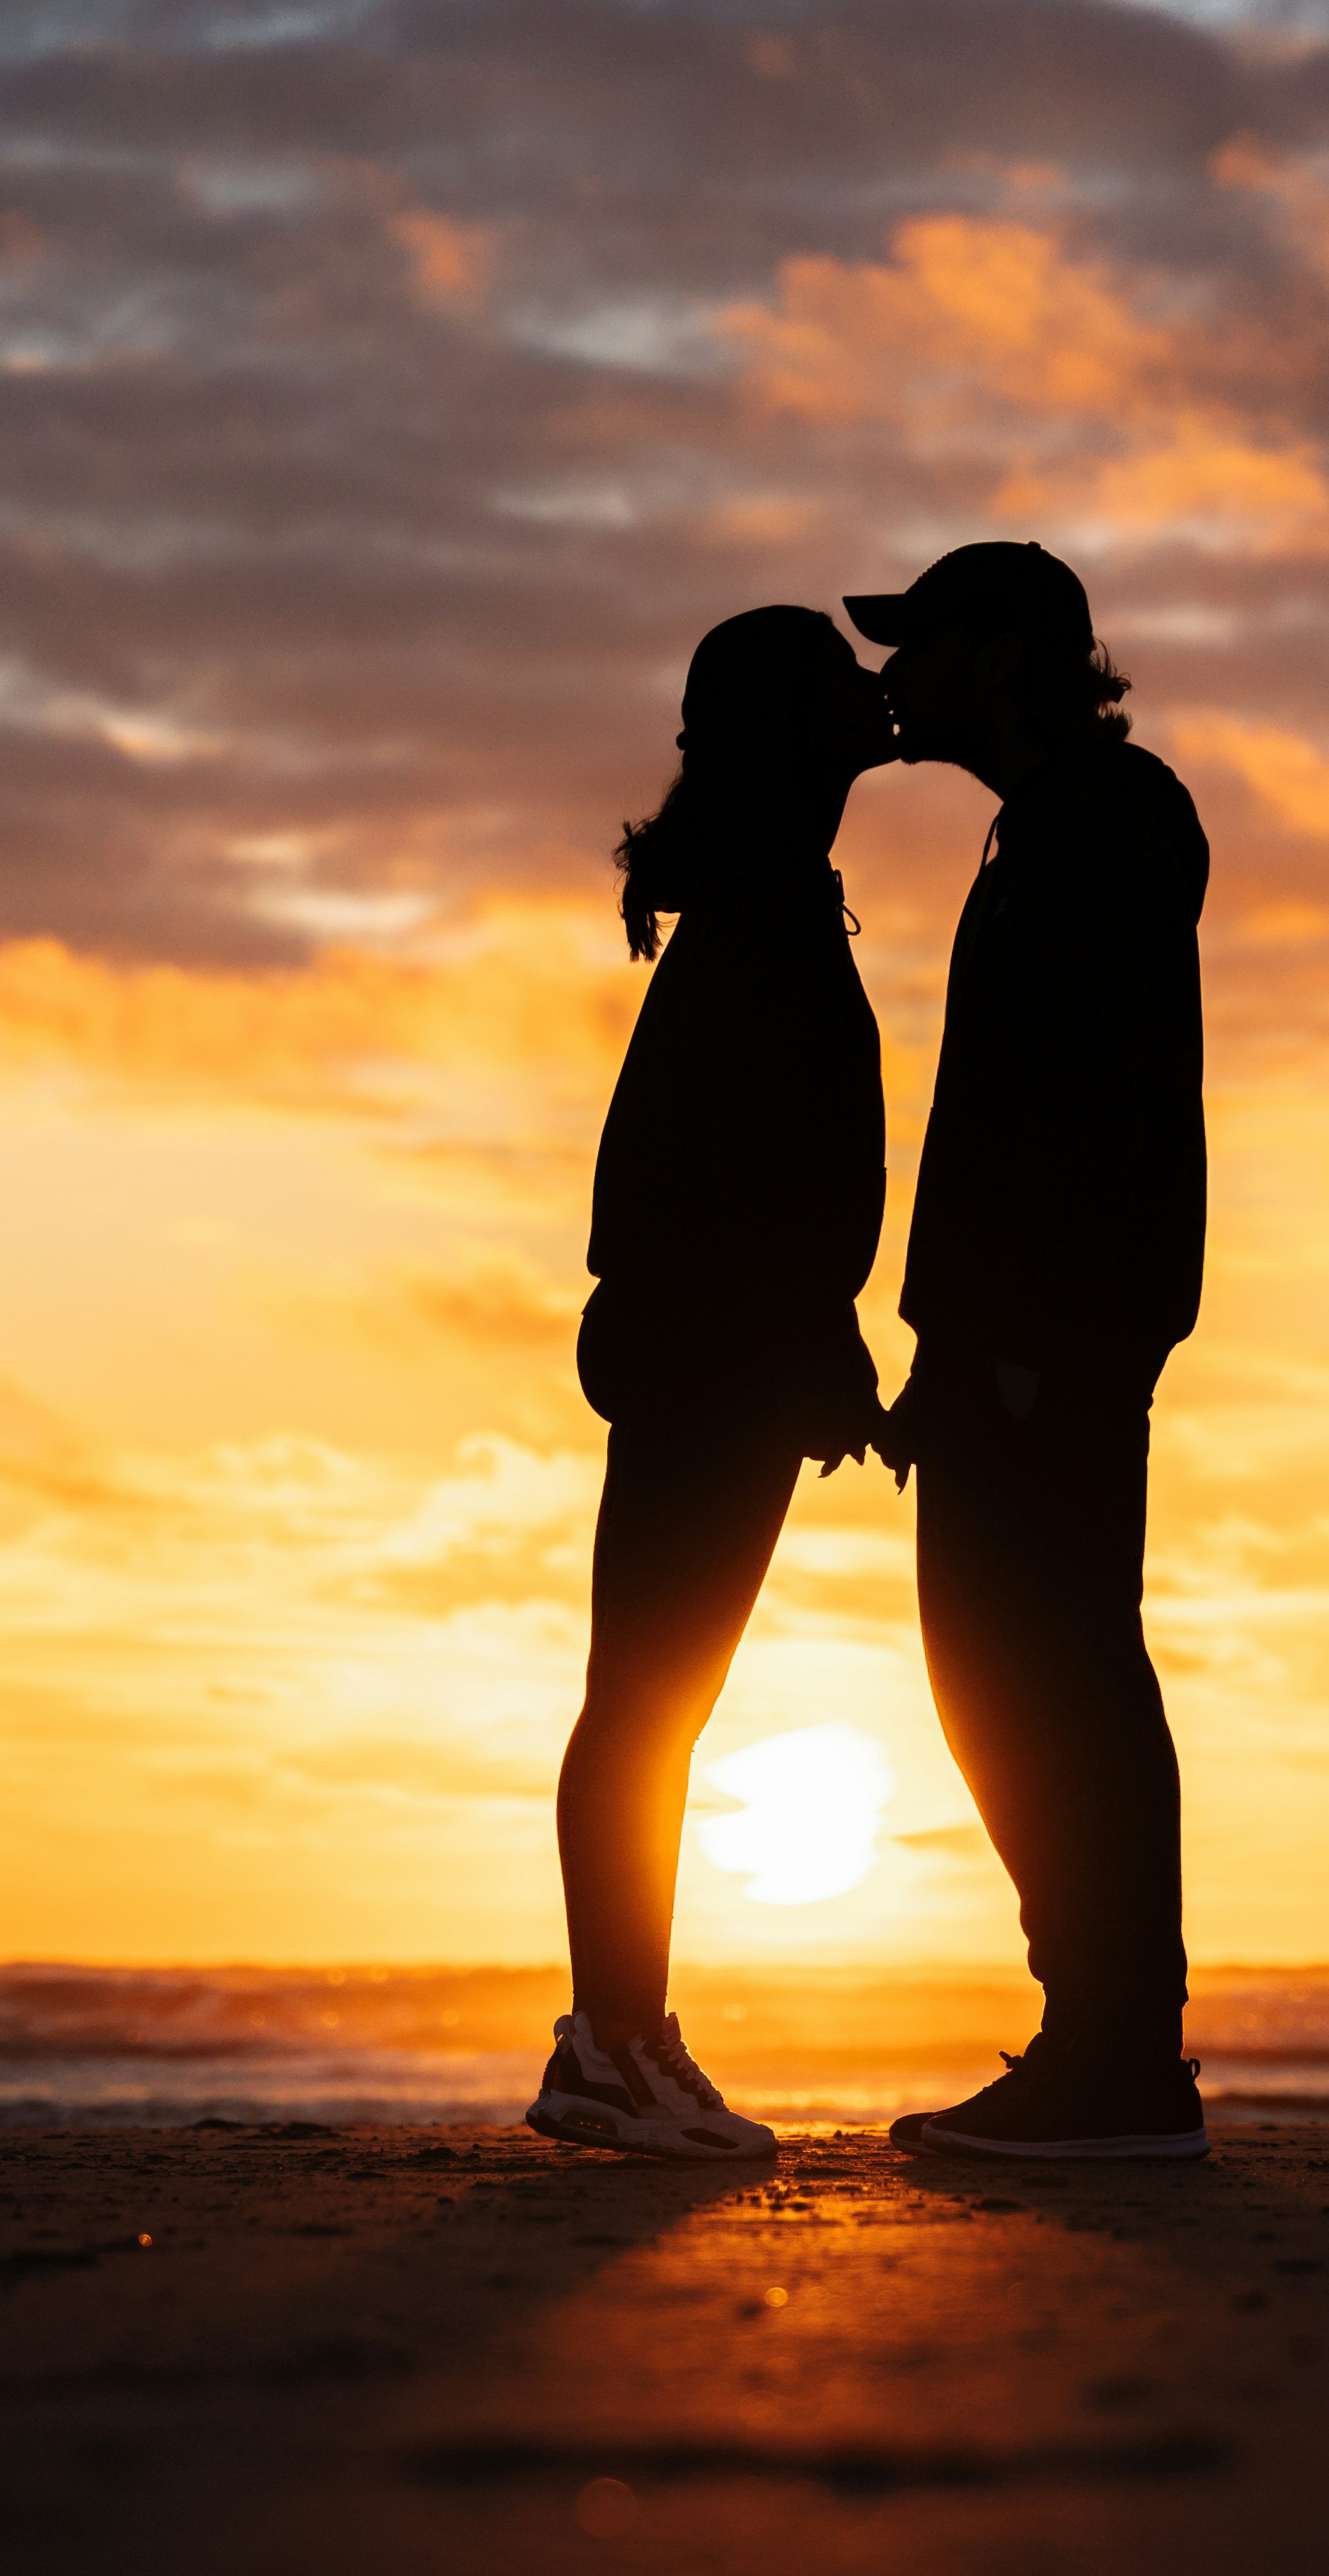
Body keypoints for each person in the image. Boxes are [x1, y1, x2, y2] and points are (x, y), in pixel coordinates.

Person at [849, 541, 1214, 2163]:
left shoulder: (1102, 831)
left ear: (1004, 657)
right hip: (1021, 1335)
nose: (897, 680)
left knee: (1049, 1674)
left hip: (1053, 1340)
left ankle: (1118, 2058)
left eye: (922, 647)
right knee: (1012, 1671)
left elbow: (1076, 1121)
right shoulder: (1060, 827)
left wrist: (1020, 1344)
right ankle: (1104, 2043)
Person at [528, 603, 899, 2163]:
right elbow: (713, 1177)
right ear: (782, 732)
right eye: (837, 686)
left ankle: (623, 2033)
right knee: (647, 1702)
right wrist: (811, 1343)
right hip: (712, 1362)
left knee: (653, 1700)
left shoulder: (765, 900)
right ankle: (613, 2040)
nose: (871, 699)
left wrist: (817, 1341)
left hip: (716, 1354)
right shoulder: (760, 916)